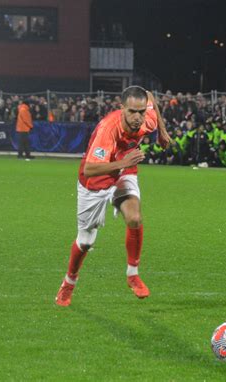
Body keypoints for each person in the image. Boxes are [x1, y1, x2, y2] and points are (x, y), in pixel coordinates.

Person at [55, 86, 171, 307]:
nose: (138, 118)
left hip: (124, 170)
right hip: (95, 179)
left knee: (135, 218)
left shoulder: (147, 119)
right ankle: (69, 282)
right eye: (132, 112)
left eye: (141, 112)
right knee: (86, 241)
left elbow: (151, 98)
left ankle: (133, 274)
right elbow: (89, 168)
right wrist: (124, 163)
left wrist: (163, 132)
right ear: (122, 109)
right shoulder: (108, 129)